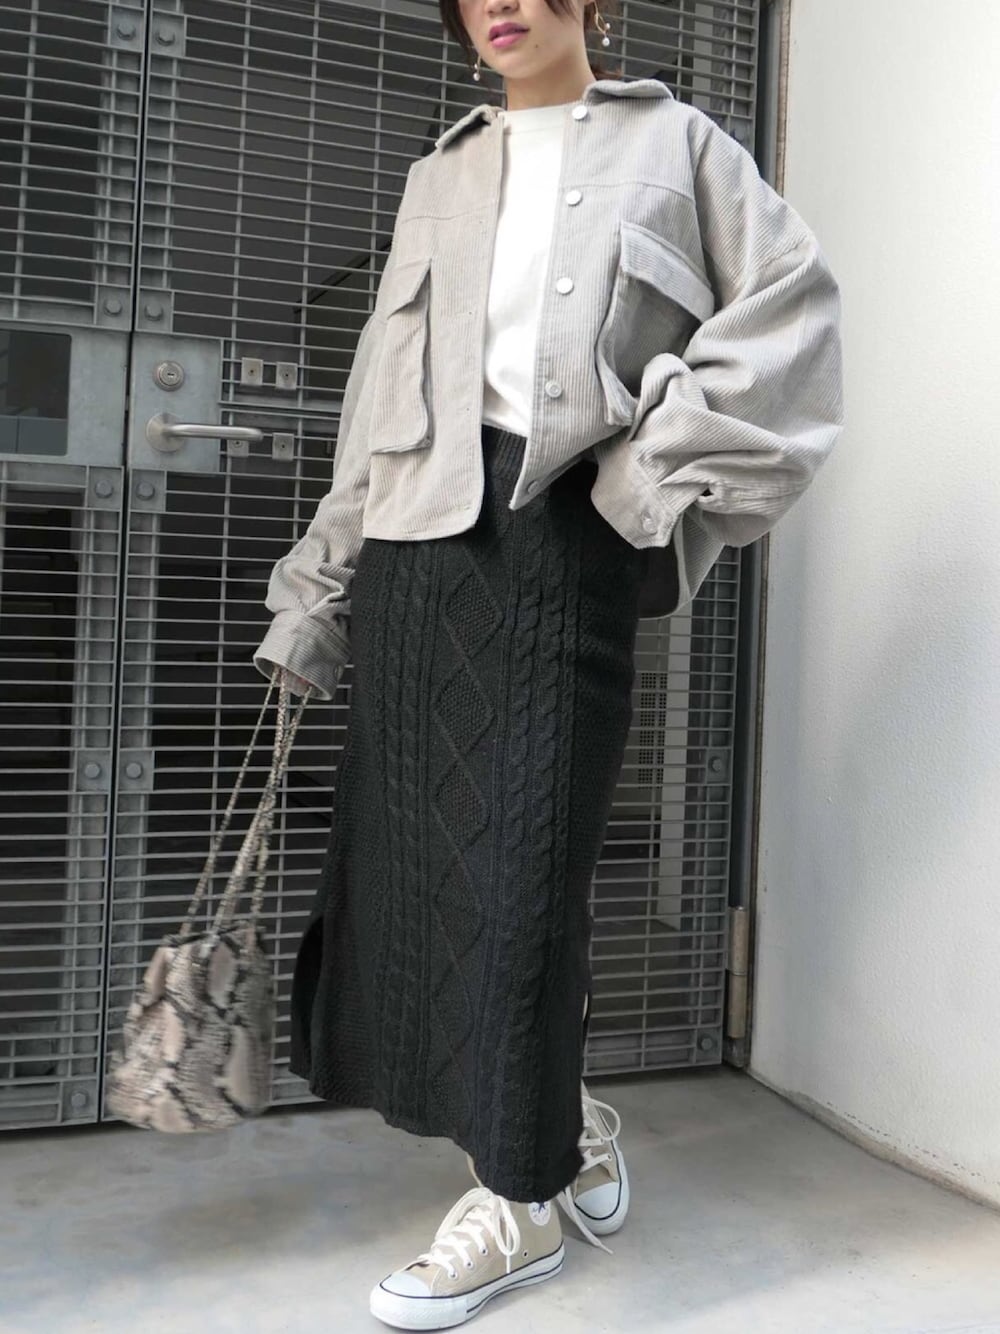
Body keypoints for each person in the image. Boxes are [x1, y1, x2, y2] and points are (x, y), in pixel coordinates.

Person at [253, 1, 843, 1327]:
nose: (500, 6)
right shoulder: (441, 172)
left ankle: (516, 1200)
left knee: (528, 868)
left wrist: (649, 475)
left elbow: (791, 318)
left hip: (563, 541)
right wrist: (317, 597)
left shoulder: (680, 146)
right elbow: (379, 401)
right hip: (416, 556)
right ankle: (555, 1120)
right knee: (422, 881)